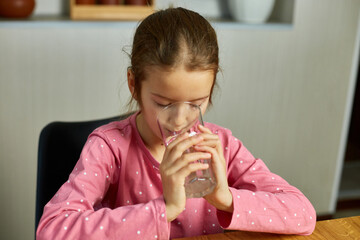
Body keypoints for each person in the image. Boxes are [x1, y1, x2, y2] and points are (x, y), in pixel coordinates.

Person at [36, 7, 316, 240]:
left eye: (196, 103)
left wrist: (224, 198)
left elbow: (303, 213)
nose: (180, 120)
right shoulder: (109, 148)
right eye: (163, 103)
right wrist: (165, 208)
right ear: (134, 85)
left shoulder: (222, 146)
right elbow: (51, 230)